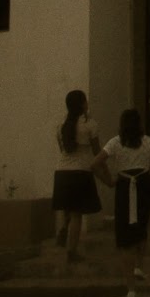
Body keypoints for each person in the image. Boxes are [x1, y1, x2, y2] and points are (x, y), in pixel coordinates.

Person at [93, 108, 150, 297]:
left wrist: (109, 181)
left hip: (124, 186)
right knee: (141, 227)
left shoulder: (115, 142)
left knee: (125, 238)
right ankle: (139, 264)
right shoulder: (149, 143)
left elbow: (95, 164)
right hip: (144, 185)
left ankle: (130, 287)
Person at [51, 90, 101, 264]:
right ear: (82, 104)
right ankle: (72, 250)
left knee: (67, 207)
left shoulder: (60, 125)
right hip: (81, 171)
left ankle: (63, 228)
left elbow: (62, 149)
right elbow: (96, 151)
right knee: (77, 214)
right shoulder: (90, 124)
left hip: (62, 171)